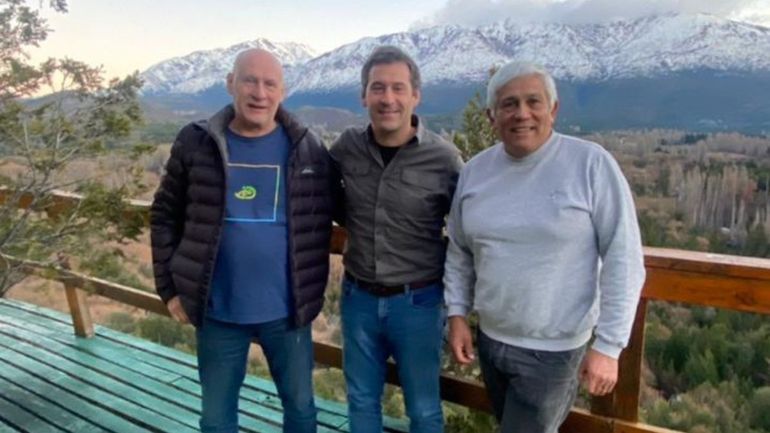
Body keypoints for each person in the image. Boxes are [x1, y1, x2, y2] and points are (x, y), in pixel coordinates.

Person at [444, 61, 646, 433]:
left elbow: (624, 258)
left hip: (554, 353)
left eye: (533, 101)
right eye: (509, 104)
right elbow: (459, 251)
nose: (522, 113)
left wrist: (609, 345)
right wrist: (457, 315)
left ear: (553, 109)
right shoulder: (475, 172)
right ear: (491, 116)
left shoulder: (591, 165)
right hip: (491, 341)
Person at [150, 48, 337, 433]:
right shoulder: (197, 142)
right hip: (217, 310)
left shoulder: (308, 148)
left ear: (283, 91)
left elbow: (339, 209)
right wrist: (169, 289)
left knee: (301, 410)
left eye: (270, 84)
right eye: (250, 81)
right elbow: (165, 215)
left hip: (288, 311)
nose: (259, 93)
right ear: (230, 83)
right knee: (216, 419)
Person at [330, 45, 463, 433]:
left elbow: (468, 232)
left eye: (398, 88)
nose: (388, 98)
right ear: (364, 96)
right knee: (361, 402)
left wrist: (460, 307)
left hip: (418, 303)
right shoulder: (347, 148)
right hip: (358, 298)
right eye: (378, 88)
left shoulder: (444, 159)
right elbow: (323, 196)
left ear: (415, 95)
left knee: (423, 409)